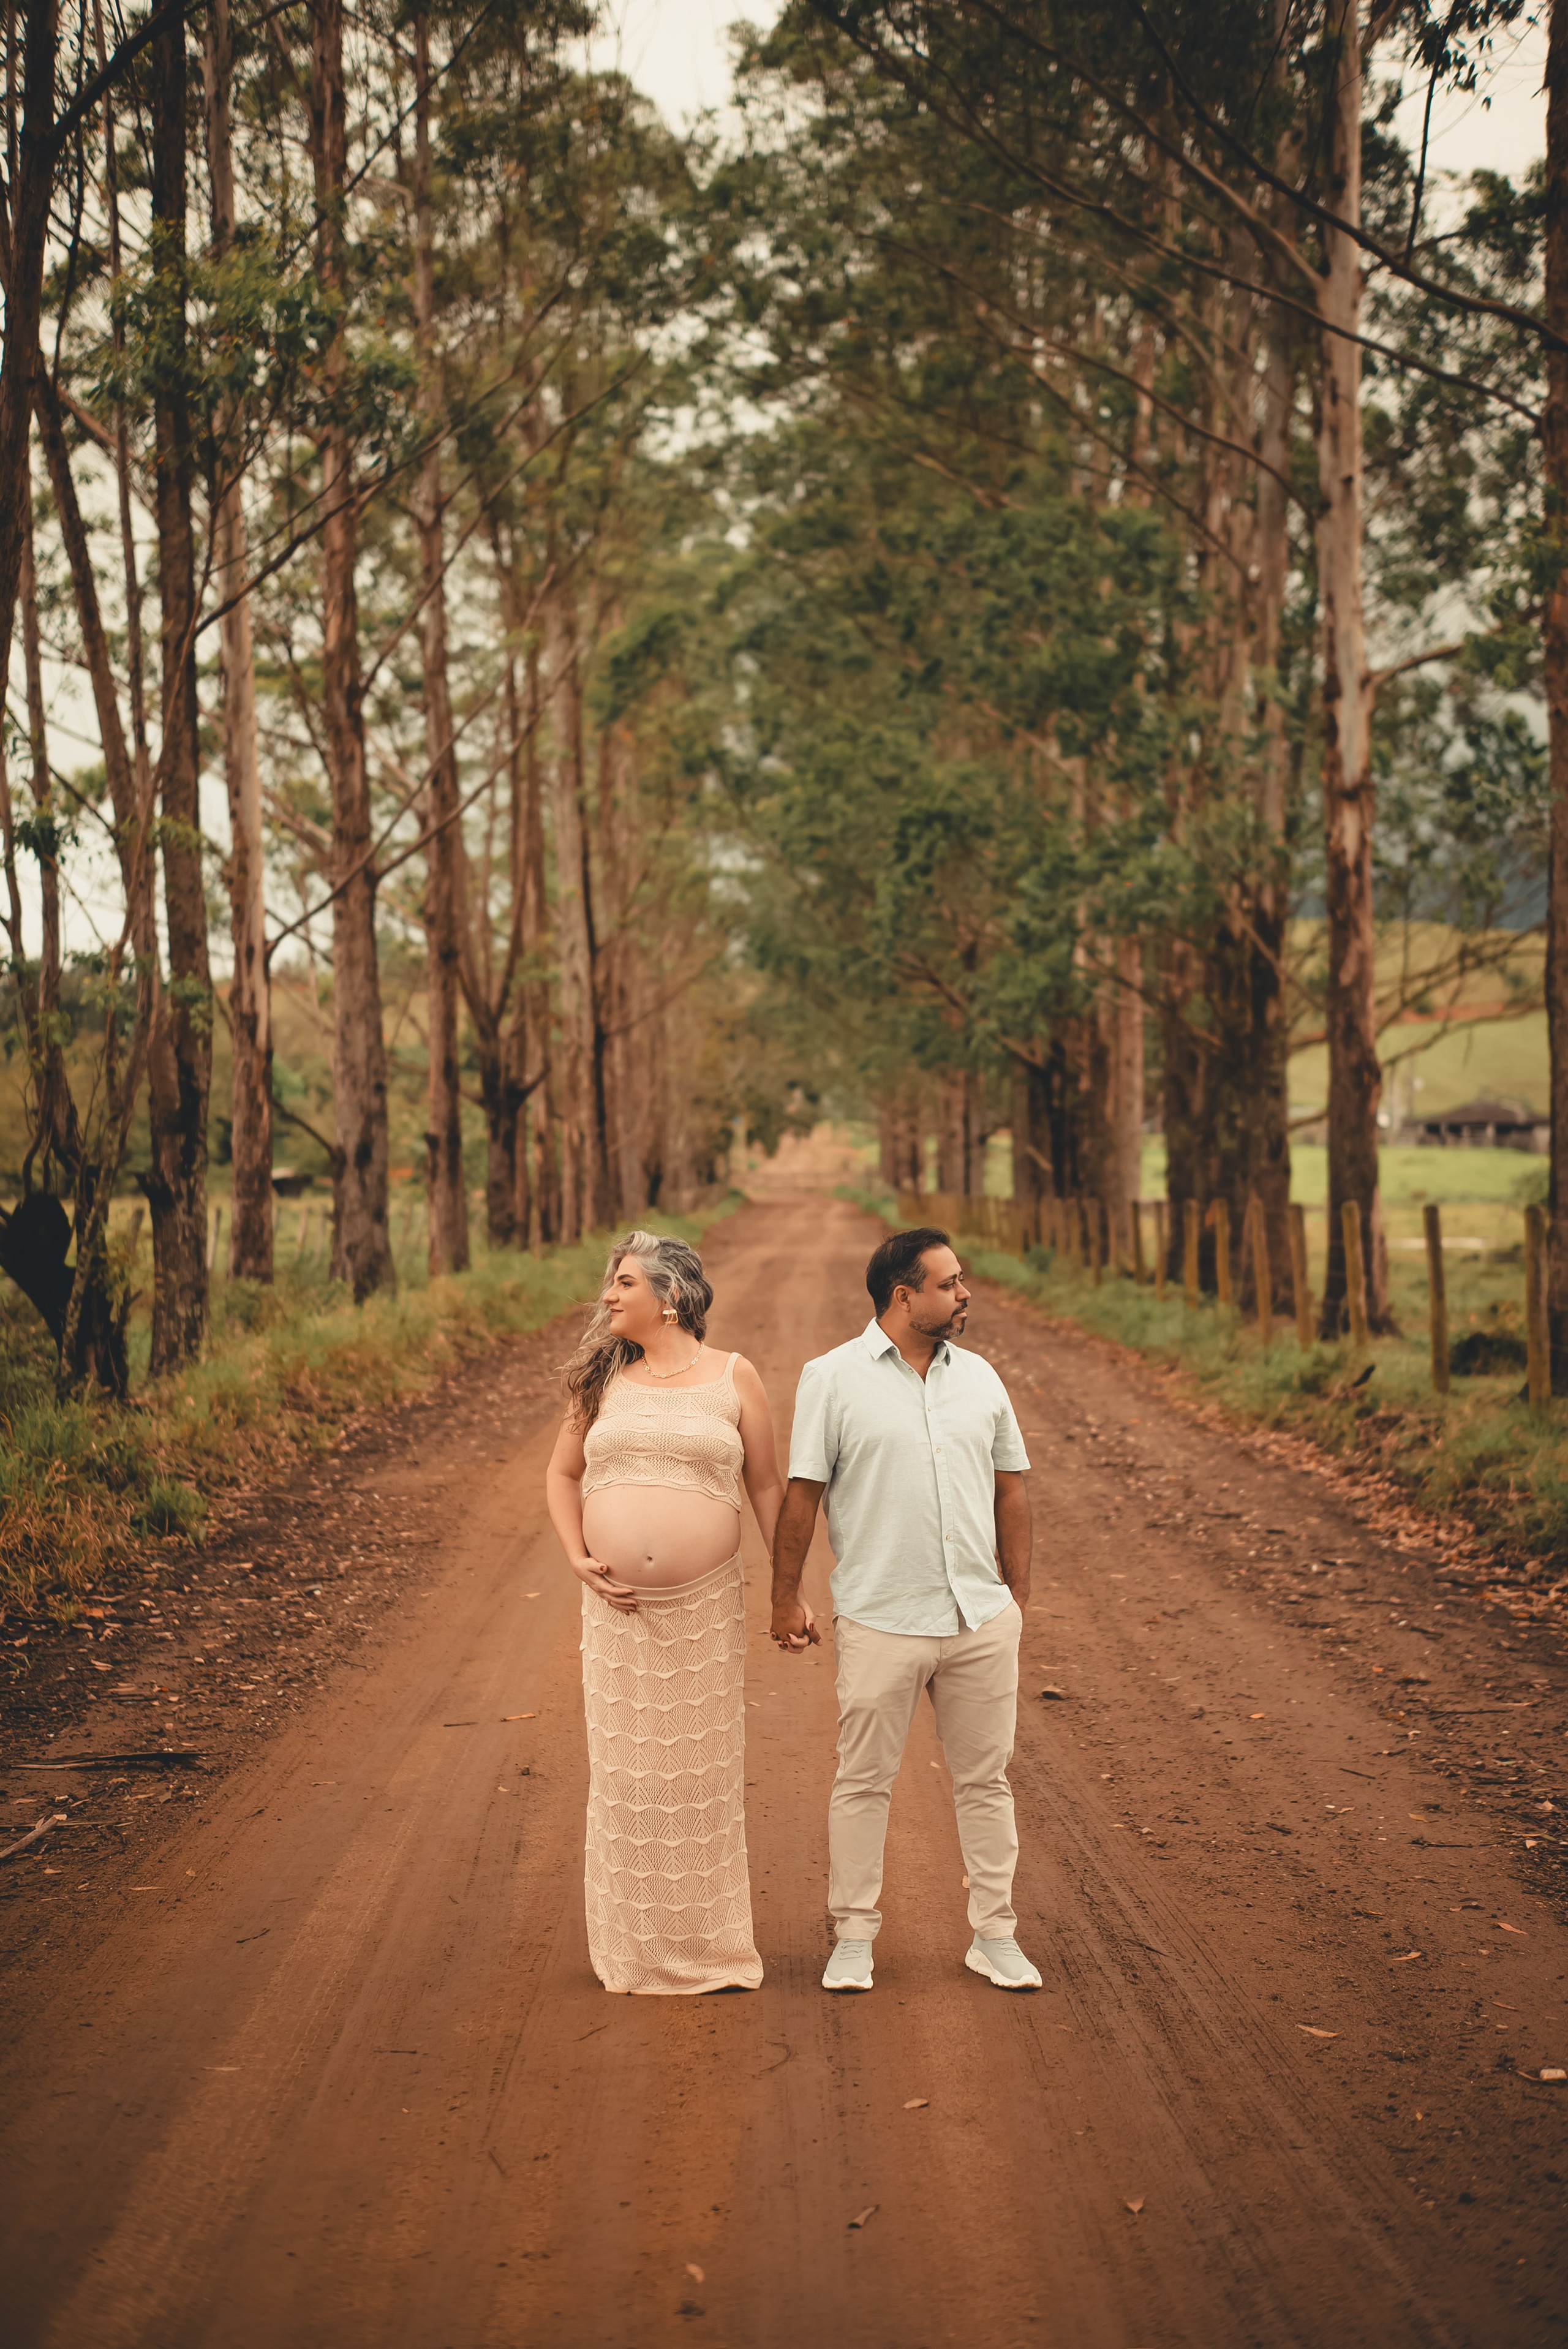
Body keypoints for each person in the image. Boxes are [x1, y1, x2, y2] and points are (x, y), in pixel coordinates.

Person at [769, 1225, 1039, 1994]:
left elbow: (1011, 1487)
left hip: (978, 1621)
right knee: (863, 1782)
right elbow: (803, 1495)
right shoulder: (832, 1378)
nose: (964, 1294)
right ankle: (853, 1937)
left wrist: (1013, 1601)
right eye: (950, 1283)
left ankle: (996, 1935)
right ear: (903, 1295)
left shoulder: (981, 1377)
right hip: (881, 1616)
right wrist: (785, 1596)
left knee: (986, 1781)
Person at [546, 1230, 790, 1995]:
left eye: (623, 1282)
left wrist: (792, 1588)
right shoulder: (604, 1380)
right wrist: (575, 1553)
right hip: (618, 1616)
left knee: (698, 1777)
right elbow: (560, 1473)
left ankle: (711, 1949)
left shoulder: (733, 1377)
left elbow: (768, 1489)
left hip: (705, 1610)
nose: (609, 1296)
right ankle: (635, 1949)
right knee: (627, 1778)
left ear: (670, 1295)